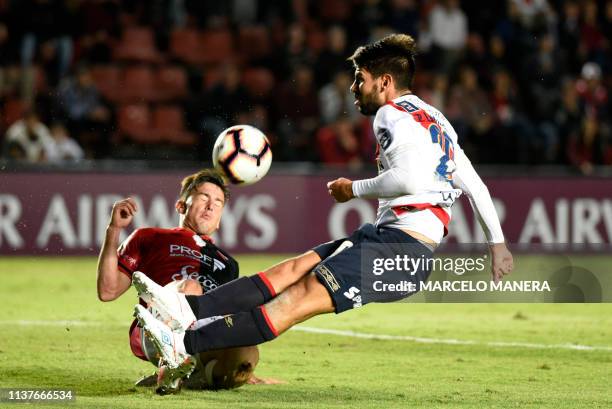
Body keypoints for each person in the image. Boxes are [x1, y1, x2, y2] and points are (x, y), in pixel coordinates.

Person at [133, 34, 514, 385]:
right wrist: (497, 243)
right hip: (393, 244)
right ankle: (185, 308)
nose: (354, 88)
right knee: (292, 269)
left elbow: (409, 181)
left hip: (398, 250)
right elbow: (475, 185)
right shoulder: (437, 121)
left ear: (384, 82)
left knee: (294, 301)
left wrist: (353, 189)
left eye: (360, 79)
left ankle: (183, 343)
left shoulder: (390, 114)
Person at [96, 169, 272, 394]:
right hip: (159, 328)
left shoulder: (229, 263)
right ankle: (171, 359)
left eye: (218, 202)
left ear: (220, 220)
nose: (211, 205)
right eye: (204, 197)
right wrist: (114, 229)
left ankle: (186, 375)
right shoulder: (149, 237)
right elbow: (107, 290)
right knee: (190, 287)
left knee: (248, 356)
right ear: (181, 206)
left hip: (204, 336)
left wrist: (243, 367)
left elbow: (229, 315)